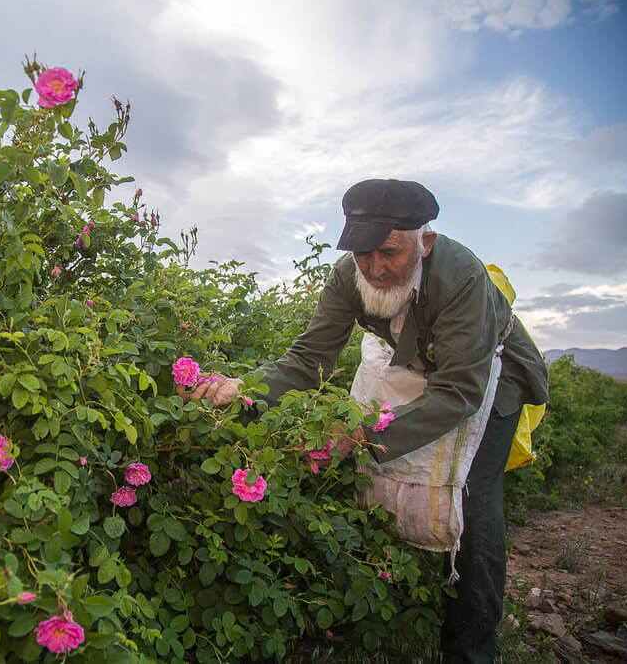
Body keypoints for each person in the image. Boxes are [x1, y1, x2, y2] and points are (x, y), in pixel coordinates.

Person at [177, 178, 548, 663]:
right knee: (372, 483)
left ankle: (472, 650)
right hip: (424, 365)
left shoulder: (462, 278)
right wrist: (241, 387)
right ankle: (394, 607)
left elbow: (459, 392)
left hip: (493, 377)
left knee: (472, 506)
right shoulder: (349, 276)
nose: (374, 268)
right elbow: (310, 357)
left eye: (389, 252)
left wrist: (362, 433)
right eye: (361, 253)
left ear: (425, 242)